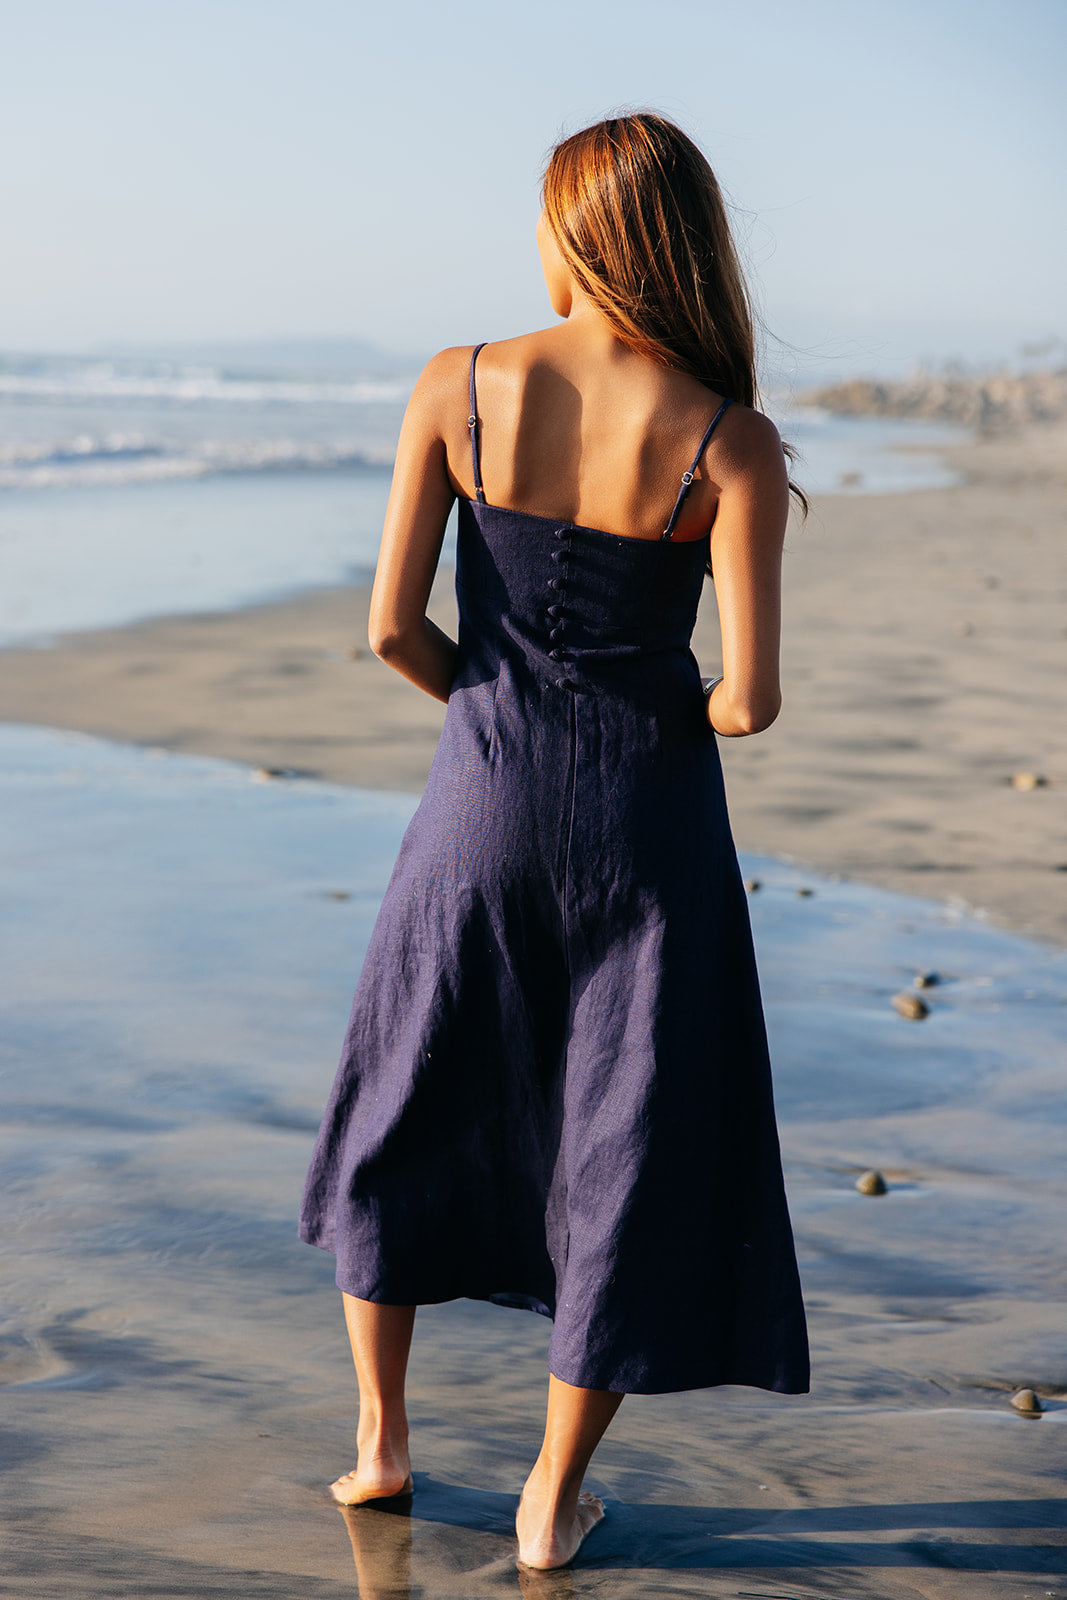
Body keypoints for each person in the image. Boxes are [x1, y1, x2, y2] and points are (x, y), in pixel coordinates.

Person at [299, 110, 809, 1572]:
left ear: (570, 233)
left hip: (480, 795)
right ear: (686, 241)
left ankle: (381, 1445)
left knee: (407, 1093)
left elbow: (395, 627)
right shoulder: (731, 437)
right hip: (647, 826)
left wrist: (490, 710)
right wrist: (675, 693)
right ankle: (546, 1498)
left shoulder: (456, 384)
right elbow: (750, 703)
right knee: (625, 1140)